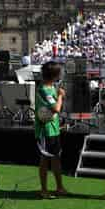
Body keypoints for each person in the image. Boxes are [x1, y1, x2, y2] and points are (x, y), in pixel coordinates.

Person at [35, 61, 67, 199]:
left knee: (56, 158)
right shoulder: (44, 89)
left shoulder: (51, 87)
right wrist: (60, 96)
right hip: (45, 130)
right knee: (45, 159)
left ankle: (59, 187)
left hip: (54, 129)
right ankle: (44, 189)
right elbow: (56, 108)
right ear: (54, 75)